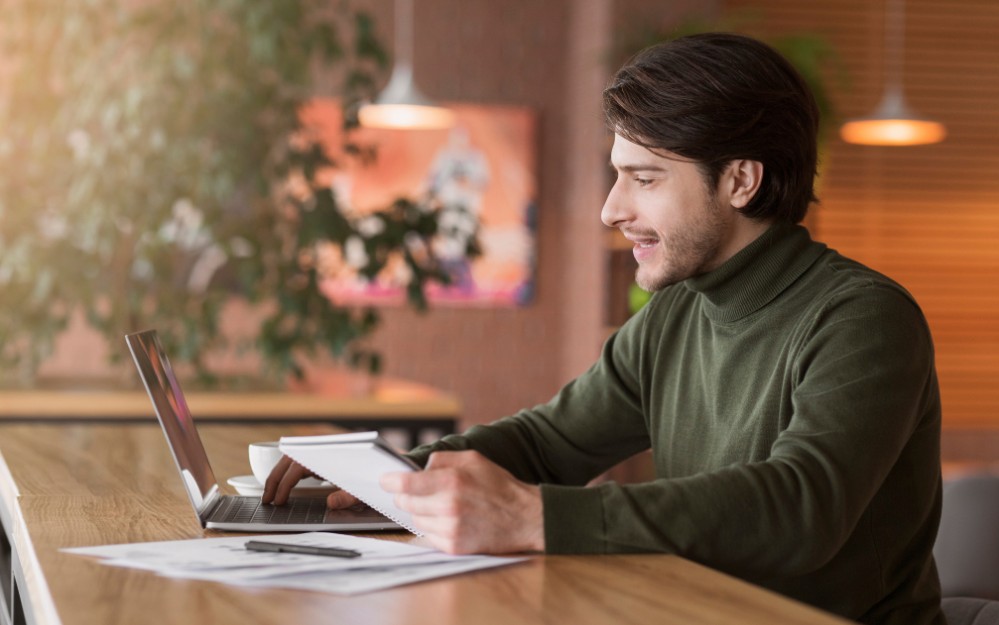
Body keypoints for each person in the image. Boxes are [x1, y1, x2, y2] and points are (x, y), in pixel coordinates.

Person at [263, 33, 944, 625]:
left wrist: (535, 518)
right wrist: (388, 481)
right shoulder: (676, 312)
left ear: (740, 181)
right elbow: (549, 441)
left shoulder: (863, 318)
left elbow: (802, 507)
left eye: (644, 179)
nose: (610, 210)